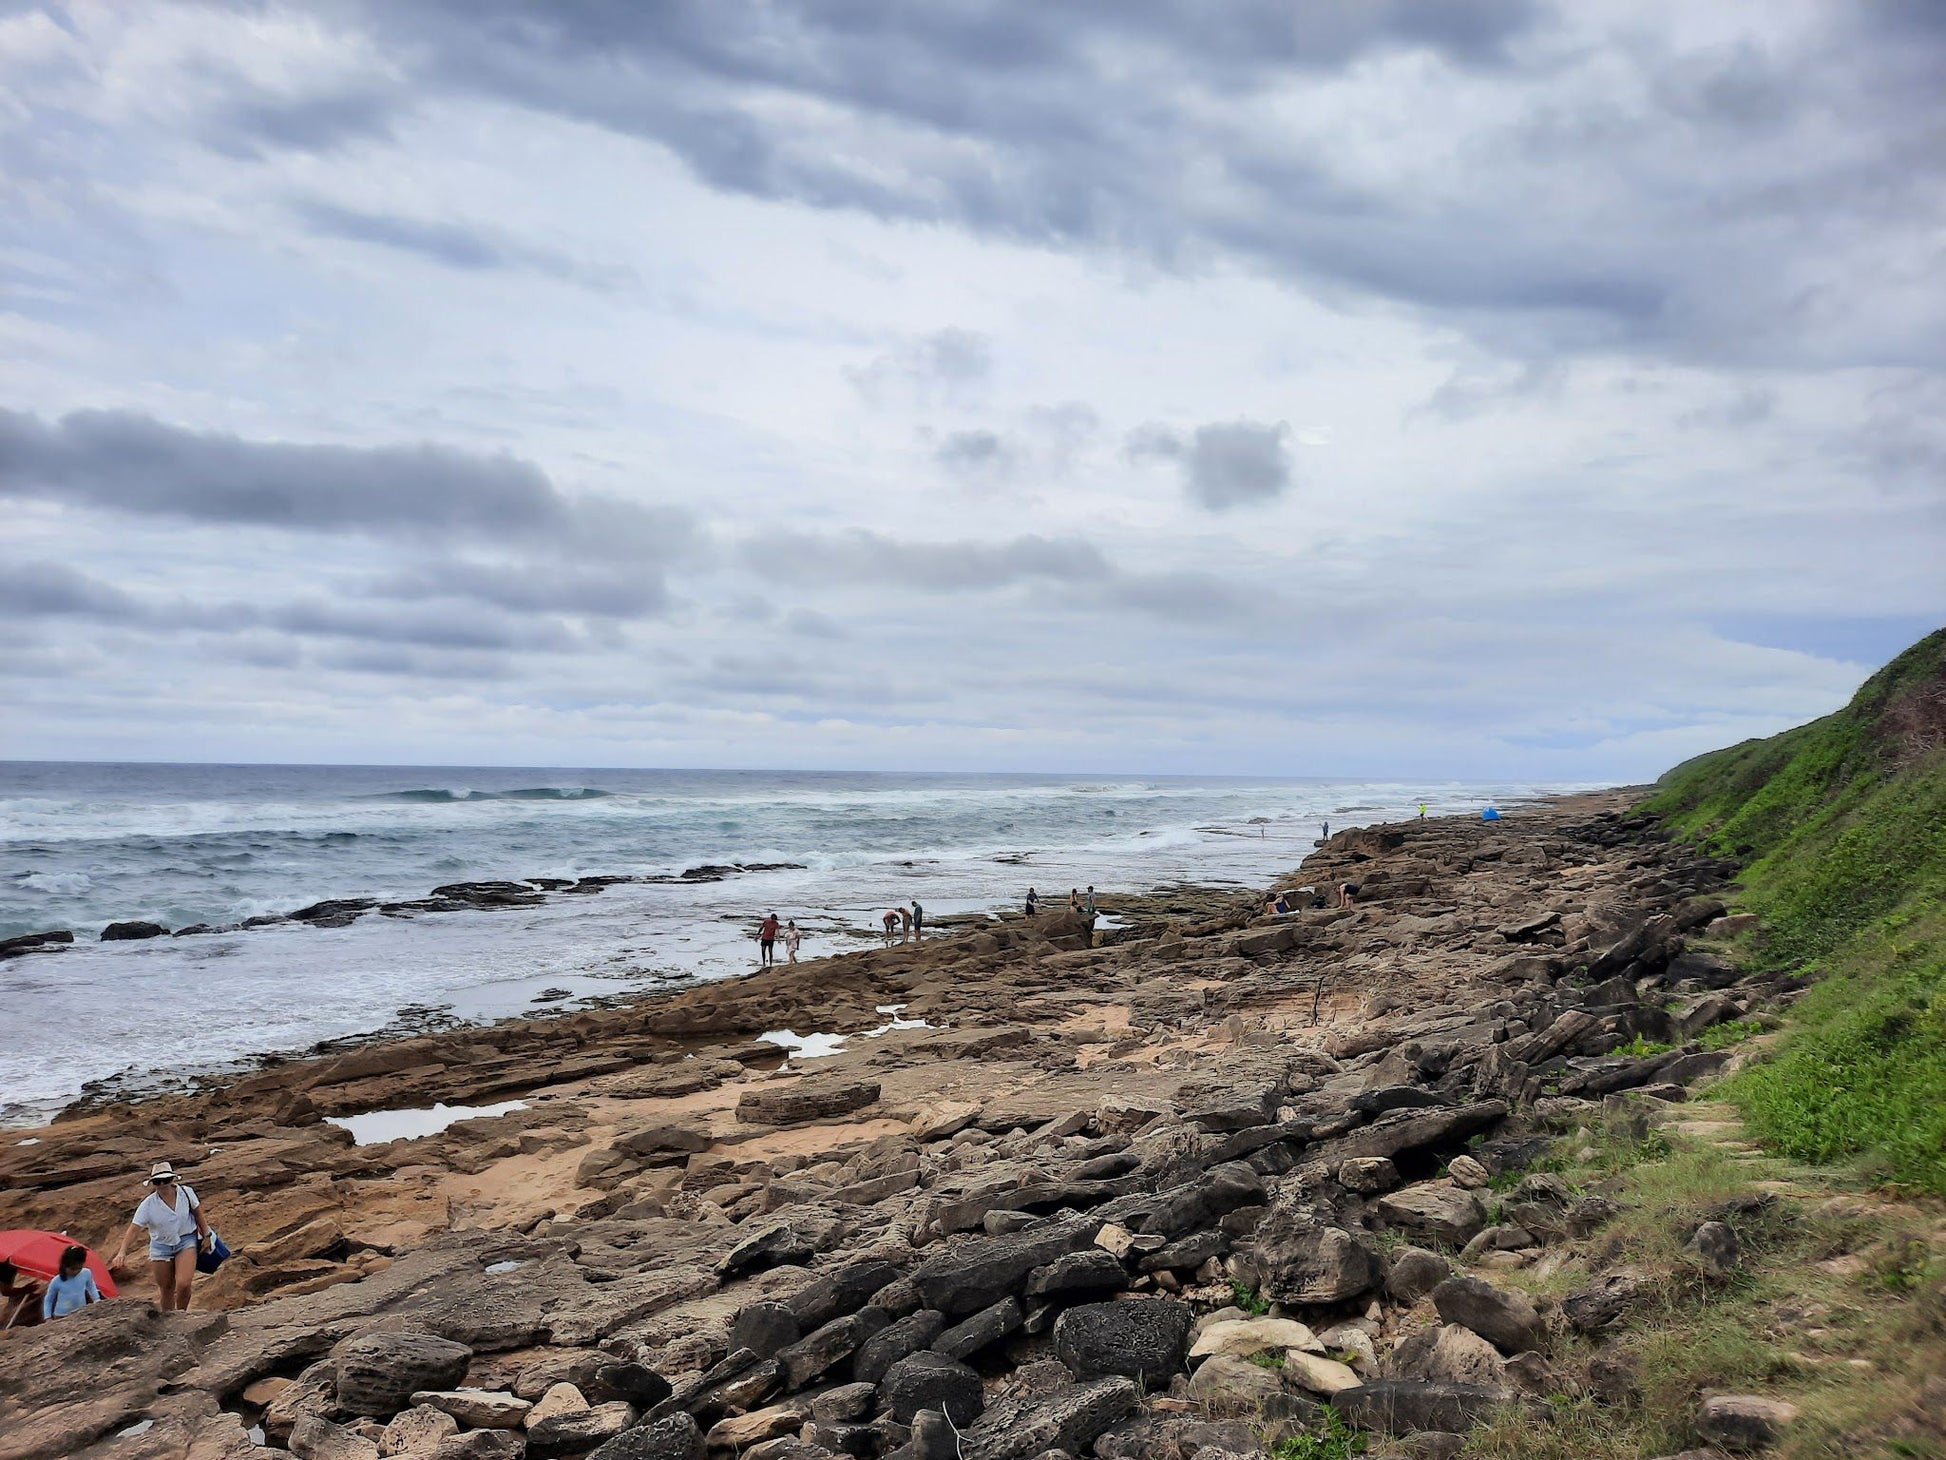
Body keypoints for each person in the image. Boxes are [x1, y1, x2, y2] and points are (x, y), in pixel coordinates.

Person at [110, 1161, 211, 1312]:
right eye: (158, 1181)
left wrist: (207, 1234)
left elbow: (198, 1213)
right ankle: (169, 1319)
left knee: (184, 1284)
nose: (163, 1184)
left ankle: (181, 1314)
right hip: (161, 1246)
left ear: (172, 1180)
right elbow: (134, 1229)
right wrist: (122, 1252)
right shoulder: (148, 1205)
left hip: (186, 1240)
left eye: (166, 1180)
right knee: (166, 1288)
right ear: (153, 1184)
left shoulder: (186, 1193)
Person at [41, 1246, 101, 1321]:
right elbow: (49, 1299)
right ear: (64, 1266)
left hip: (81, 1312)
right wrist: (48, 1317)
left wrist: (97, 1300)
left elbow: (91, 1287)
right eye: (72, 1269)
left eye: (79, 1268)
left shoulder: (86, 1273)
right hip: (62, 1316)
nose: (76, 1271)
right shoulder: (57, 1281)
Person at [0, 1260, 44, 1329]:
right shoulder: (8, 1266)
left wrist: (24, 1290)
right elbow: (5, 1291)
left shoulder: (9, 1263)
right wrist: (25, 1290)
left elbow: (5, 1290)